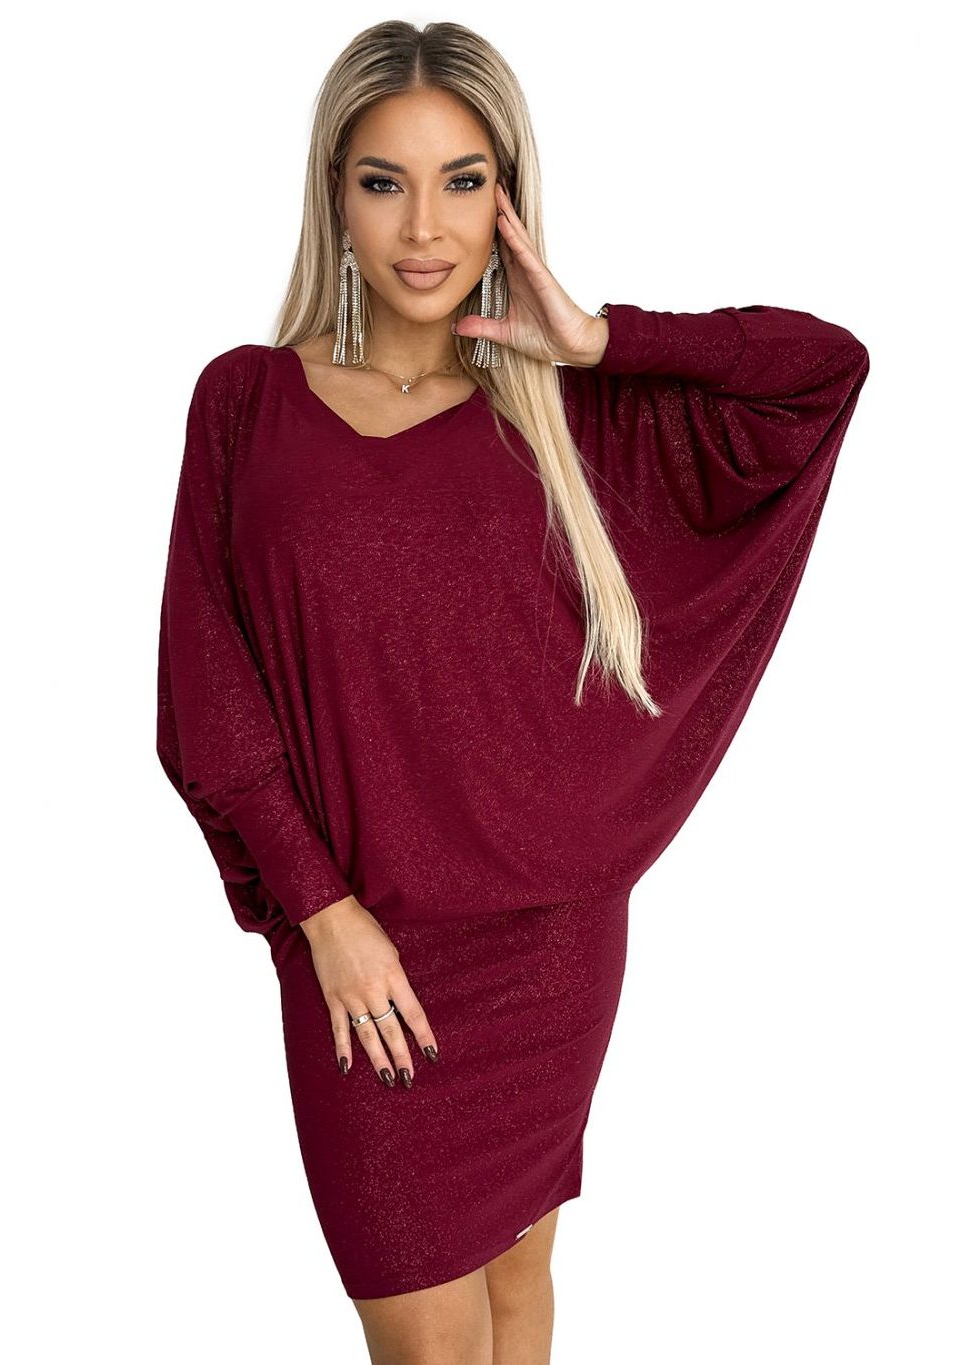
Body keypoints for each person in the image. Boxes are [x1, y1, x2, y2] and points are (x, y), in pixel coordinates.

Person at [155, 18, 870, 1364]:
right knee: (429, 1341)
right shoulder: (246, 403)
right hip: (360, 947)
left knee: (522, 1290)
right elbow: (209, 690)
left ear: (510, 197)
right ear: (333, 195)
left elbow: (823, 369)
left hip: (546, 945)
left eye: (464, 180)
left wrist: (600, 337)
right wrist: (323, 912)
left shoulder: (574, 414)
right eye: (384, 181)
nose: (425, 226)